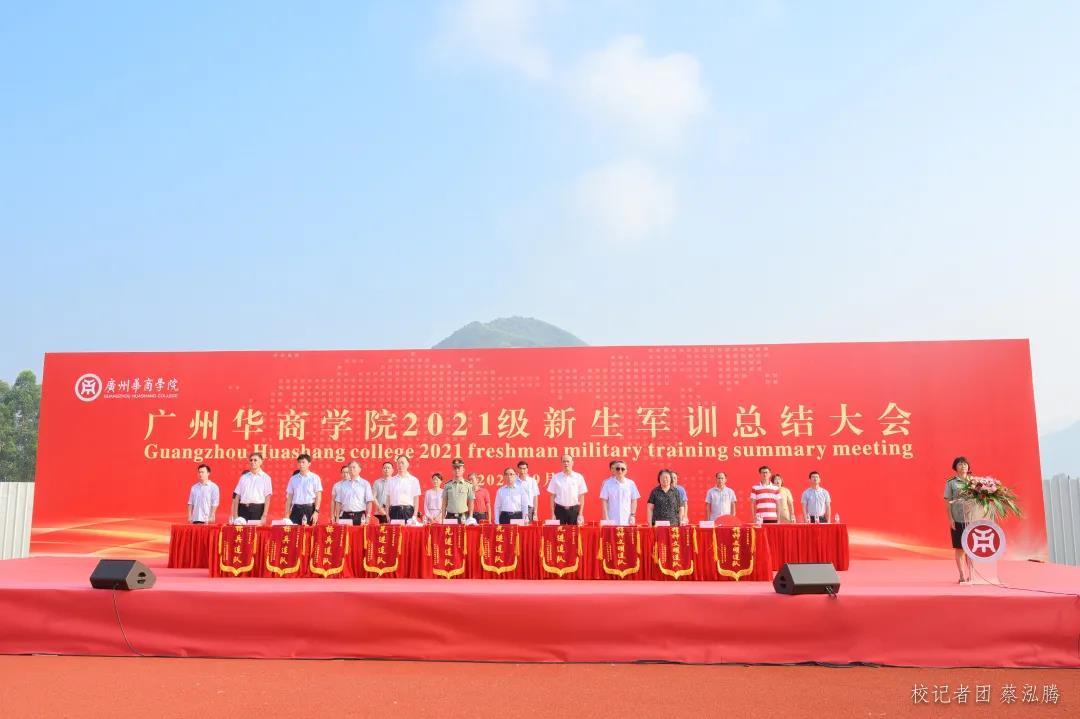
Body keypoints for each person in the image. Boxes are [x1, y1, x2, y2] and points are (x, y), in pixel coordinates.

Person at [944, 456, 974, 583]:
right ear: (955, 467)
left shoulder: (974, 482)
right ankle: (962, 575)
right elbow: (947, 502)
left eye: (965, 464)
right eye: (960, 464)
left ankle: (972, 575)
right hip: (958, 518)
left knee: (972, 548)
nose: (963, 466)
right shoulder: (951, 482)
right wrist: (950, 518)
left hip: (973, 519)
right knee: (960, 548)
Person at [231, 452, 273, 523]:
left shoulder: (266, 478)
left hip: (257, 510)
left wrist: (264, 515)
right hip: (243, 509)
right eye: (251, 460)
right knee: (241, 530)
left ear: (261, 462)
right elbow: (237, 496)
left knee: (255, 529)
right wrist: (235, 514)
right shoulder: (244, 477)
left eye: (255, 460)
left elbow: (267, 498)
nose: (252, 462)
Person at [332, 460, 376, 525]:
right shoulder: (343, 485)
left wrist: (368, 516)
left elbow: (369, 501)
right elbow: (338, 502)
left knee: (359, 531)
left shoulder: (365, 484)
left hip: (359, 515)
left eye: (354, 467)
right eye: (350, 467)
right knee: (345, 531)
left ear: (359, 469)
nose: (351, 469)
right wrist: (337, 517)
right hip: (345, 515)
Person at [548, 454, 587, 525]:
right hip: (559, 510)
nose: (566, 463)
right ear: (561, 463)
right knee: (559, 531)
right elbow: (552, 496)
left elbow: (581, 496)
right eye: (564, 461)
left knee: (574, 531)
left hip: (574, 511)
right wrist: (552, 513)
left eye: (568, 461)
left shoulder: (578, 477)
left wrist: (580, 513)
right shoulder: (556, 477)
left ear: (572, 463)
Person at [284, 453, 322, 525]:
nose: (301, 464)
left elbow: (318, 496)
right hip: (296, 509)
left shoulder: (315, 478)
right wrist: (286, 514)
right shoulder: (293, 479)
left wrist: (316, 512)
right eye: (299, 462)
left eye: (303, 462)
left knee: (310, 531)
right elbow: (289, 498)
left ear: (309, 464)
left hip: (309, 509)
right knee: (294, 530)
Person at [599, 459, 640, 526]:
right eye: (617, 469)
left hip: (627, 519)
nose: (620, 471)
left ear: (626, 471)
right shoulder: (607, 483)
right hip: (612, 518)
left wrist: (633, 515)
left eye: (622, 469)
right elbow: (604, 501)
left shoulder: (631, 484)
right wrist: (606, 517)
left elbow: (634, 500)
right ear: (614, 470)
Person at [384, 455, 421, 521]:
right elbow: (388, 499)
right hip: (394, 512)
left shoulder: (414, 480)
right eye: (398, 463)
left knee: (408, 528)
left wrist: (415, 515)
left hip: (408, 511)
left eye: (402, 463)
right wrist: (387, 515)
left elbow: (416, 499)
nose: (400, 465)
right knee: (394, 528)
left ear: (408, 464)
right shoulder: (391, 480)